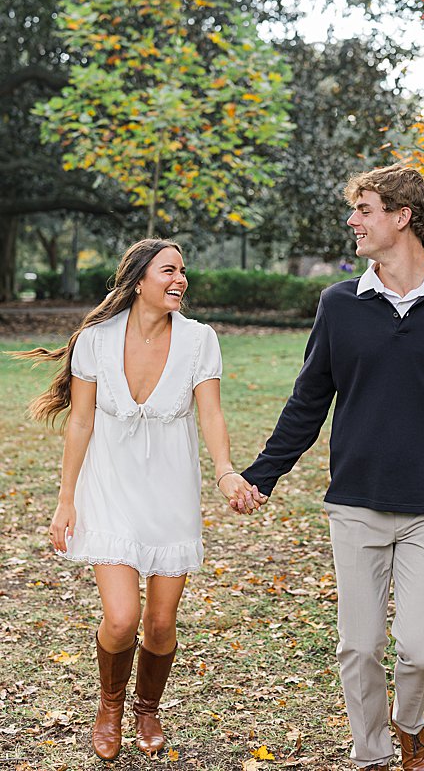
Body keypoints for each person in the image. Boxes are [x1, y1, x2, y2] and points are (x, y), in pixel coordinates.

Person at [239, 163, 424, 771]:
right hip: (356, 504)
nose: (353, 220)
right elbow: (309, 399)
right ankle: (372, 755)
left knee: (421, 651)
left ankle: (410, 725)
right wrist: (262, 475)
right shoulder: (339, 304)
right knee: (358, 648)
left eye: (364, 209)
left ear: (403, 217)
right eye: (355, 209)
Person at [13, 239, 261, 760]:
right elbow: (80, 421)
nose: (181, 280)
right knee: (123, 618)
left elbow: (211, 414)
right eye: (169, 270)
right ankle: (109, 707)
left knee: (162, 624)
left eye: (183, 272)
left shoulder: (199, 340)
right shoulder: (96, 341)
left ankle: (147, 709)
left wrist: (224, 472)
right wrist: (65, 500)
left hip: (171, 491)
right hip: (109, 489)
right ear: (139, 279)